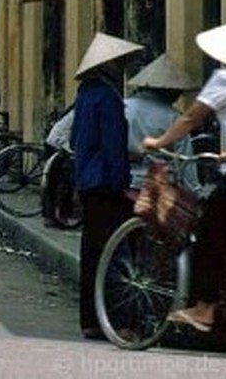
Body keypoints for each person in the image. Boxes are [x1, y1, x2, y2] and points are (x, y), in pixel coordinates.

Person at [143, 21, 226, 334]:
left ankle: (205, 309)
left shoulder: (225, 79)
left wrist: (160, 142)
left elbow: (191, 117)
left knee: (208, 237)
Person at [70, 31, 144, 340]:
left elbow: (76, 140)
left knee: (92, 252)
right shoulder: (109, 98)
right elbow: (114, 147)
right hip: (106, 185)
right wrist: (122, 183)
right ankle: (115, 321)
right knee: (114, 255)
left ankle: (90, 320)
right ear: (109, 64)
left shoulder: (85, 94)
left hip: (87, 181)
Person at [124, 54, 197, 190]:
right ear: (170, 91)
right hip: (159, 186)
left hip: (123, 181)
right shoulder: (174, 117)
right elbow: (185, 162)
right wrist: (195, 192)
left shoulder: (123, 107)